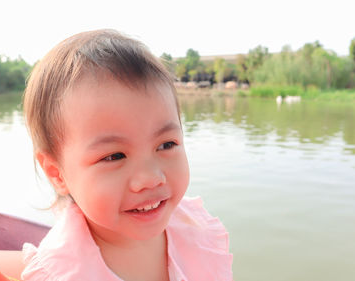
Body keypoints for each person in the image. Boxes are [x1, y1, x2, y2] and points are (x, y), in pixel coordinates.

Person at [21, 29, 233, 281]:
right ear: (57, 174)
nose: (151, 178)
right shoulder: (61, 273)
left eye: (166, 145)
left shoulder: (193, 228)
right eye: (114, 156)